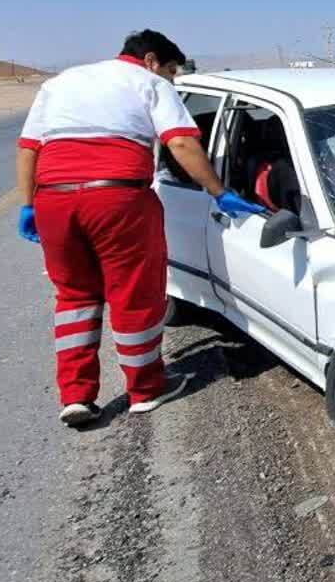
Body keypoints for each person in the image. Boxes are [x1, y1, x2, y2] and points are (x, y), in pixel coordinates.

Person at [16, 29, 267, 428]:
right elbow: (181, 145)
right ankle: (146, 389)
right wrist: (219, 192)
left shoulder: (60, 83)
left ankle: (76, 395)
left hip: (54, 198)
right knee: (133, 293)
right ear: (151, 61)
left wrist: (29, 204)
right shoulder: (149, 84)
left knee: (74, 296)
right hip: (118, 198)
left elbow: (29, 147)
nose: (172, 81)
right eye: (171, 71)